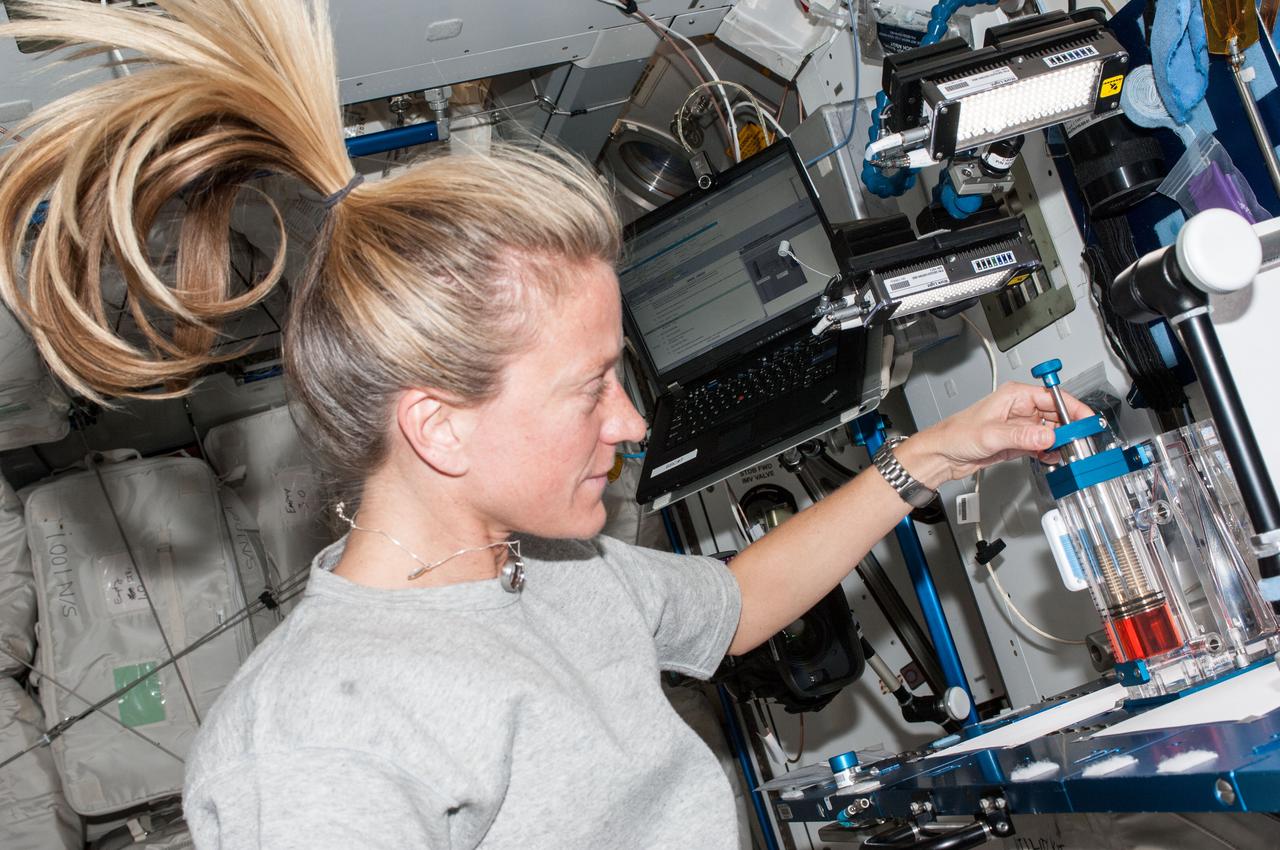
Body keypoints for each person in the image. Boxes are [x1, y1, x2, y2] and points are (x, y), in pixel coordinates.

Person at [0, 1, 1089, 847]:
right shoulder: (309, 744)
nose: (626, 421)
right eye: (588, 386)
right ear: (441, 428)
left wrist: (934, 453)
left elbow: (737, 605)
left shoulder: (556, 568)